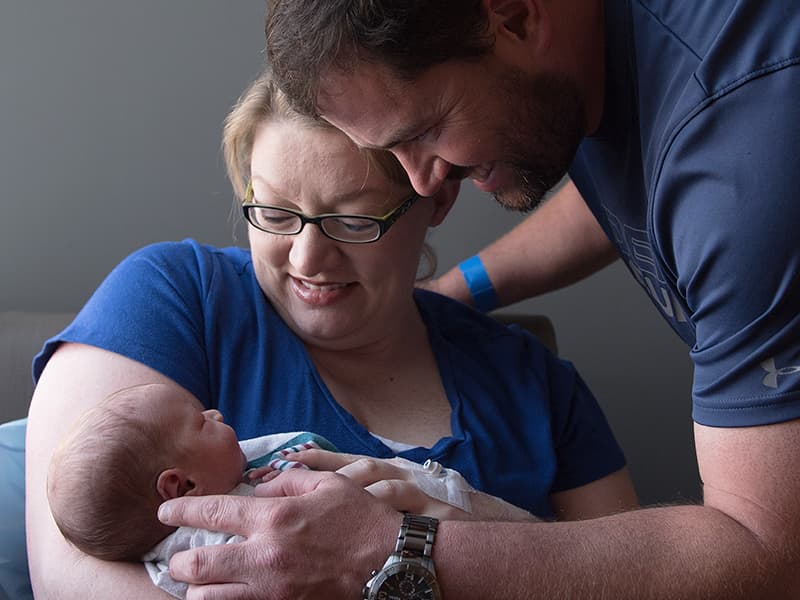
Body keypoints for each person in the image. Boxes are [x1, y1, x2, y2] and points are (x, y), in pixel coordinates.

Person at [246, 0, 800, 598]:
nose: (425, 183)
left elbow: (769, 557)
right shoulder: (592, 60)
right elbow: (648, 176)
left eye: (425, 131)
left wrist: (399, 548)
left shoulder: (746, 162)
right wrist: (459, 292)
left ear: (514, 17)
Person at [25, 67, 637, 599]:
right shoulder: (177, 295)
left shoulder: (533, 384)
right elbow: (71, 574)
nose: (308, 259)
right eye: (274, 212)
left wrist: (469, 533)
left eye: (352, 219)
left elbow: (638, 580)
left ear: (436, 200)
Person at [46, 382, 474, 599]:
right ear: (182, 485)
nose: (214, 412)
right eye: (200, 422)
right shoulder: (212, 546)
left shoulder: (236, 480)